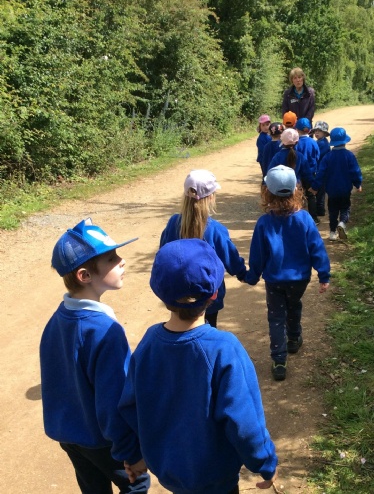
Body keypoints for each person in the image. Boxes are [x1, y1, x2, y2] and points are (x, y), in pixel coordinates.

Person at [118, 239, 279, 493]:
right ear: (214, 293)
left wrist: (136, 454)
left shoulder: (149, 342)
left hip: (171, 475)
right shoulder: (224, 348)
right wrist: (266, 462)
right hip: (217, 481)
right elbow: (245, 423)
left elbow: (129, 405)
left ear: (159, 292)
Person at [40, 218, 150, 494]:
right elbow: (114, 400)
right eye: (111, 258)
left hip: (69, 435)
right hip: (102, 440)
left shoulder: (58, 319)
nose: (122, 261)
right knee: (136, 484)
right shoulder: (105, 331)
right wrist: (130, 451)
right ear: (85, 275)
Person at [244, 166, 330, 381]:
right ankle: (293, 338)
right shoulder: (305, 219)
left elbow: (258, 254)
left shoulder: (264, 223)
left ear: (267, 192)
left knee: (276, 316)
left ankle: (279, 360)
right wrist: (323, 274)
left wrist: (253, 275)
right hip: (299, 279)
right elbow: (317, 248)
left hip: (275, 280)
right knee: (293, 305)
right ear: (296, 190)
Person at [159, 169, 247, 328]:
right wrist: (242, 273)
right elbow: (229, 257)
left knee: (181, 325)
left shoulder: (173, 223)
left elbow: (164, 251)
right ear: (211, 197)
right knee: (208, 328)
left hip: (177, 291)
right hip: (208, 294)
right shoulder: (214, 229)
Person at [310, 127, 363, 241]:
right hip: (345, 189)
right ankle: (342, 223)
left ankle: (332, 232)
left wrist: (315, 187)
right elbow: (355, 171)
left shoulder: (327, 157)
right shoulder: (349, 155)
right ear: (345, 141)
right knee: (345, 208)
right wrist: (358, 184)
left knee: (333, 211)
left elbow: (320, 173)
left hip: (331, 190)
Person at [267, 128, 314, 193]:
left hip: (280, 187)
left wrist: (266, 184)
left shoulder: (278, 156)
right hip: (296, 186)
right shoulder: (300, 156)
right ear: (297, 142)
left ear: (281, 141)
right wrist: (313, 186)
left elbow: (270, 171)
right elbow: (307, 173)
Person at [295, 117, 320, 224]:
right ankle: (314, 218)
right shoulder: (313, 142)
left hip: (299, 174)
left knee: (298, 196)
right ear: (309, 130)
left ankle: (298, 218)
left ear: (297, 130)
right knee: (311, 195)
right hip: (311, 172)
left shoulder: (296, 143)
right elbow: (317, 156)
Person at [311, 120, 330, 217]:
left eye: (319, 131)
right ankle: (320, 209)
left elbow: (316, 156)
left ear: (325, 133)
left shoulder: (323, 144)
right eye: (315, 131)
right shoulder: (319, 142)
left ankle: (320, 210)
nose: (317, 133)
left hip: (322, 171)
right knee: (320, 192)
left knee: (320, 192)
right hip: (320, 170)